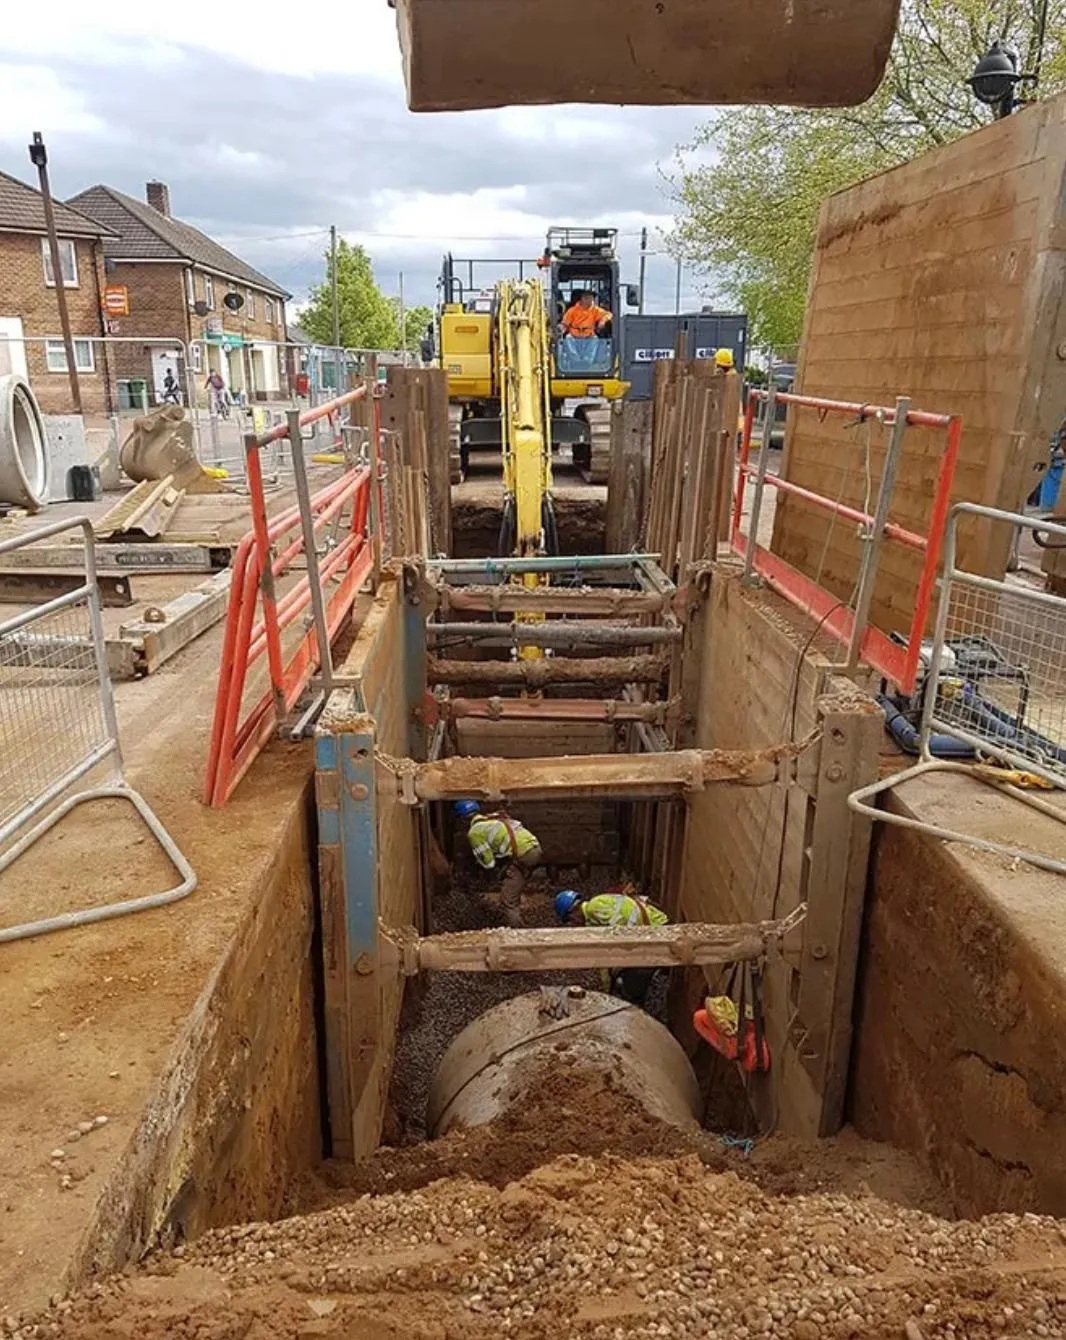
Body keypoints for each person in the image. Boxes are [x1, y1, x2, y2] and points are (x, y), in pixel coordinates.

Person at [554, 883, 669, 1006]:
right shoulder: (592, 923)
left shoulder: (594, 907)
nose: (574, 924)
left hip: (657, 931)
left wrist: (618, 966)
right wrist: (607, 992)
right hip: (646, 937)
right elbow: (603, 960)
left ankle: (637, 1006)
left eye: (570, 921)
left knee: (632, 986)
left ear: (572, 913)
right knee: (624, 981)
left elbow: (619, 933)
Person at [454, 800, 542, 927]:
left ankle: (517, 932)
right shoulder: (491, 818)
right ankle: (518, 912)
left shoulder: (474, 833)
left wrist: (478, 867)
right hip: (534, 847)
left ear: (462, 820)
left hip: (524, 854)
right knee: (512, 884)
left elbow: (489, 863)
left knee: (507, 900)